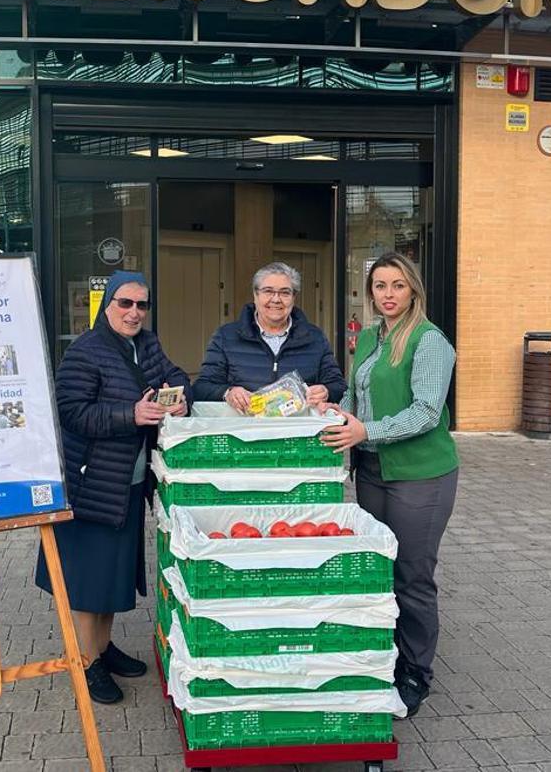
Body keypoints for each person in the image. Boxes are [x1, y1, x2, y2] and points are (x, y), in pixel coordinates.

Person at [34, 270, 190, 704]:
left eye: (142, 304)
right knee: (87, 578)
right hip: (92, 482)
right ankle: (86, 663)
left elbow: (176, 373)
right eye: (125, 303)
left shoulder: (147, 344)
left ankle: (102, 647)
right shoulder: (87, 350)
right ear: (107, 306)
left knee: (110, 572)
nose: (134, 312)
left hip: (128, 480)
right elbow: (70, 412)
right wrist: (130, 415)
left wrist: (181, 396)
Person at [319, 252, 459, 719]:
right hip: (375, 471)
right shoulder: (373, 337)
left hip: (420, 474)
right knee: (379, 571)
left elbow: (424, 412)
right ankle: (388, 655)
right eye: (380, 286)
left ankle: (417, 671)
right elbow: (357, 397)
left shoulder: (429, 341)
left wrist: (365, 432)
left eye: (397, 285)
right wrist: (329, 411)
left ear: (413, 289)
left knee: (412, 575)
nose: (388, 295)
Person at [194, 261, 346, 411]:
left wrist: (326, 391)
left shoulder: (315, 337)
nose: (276, 299)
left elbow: (339, 386)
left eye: (285, 293)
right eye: (268, 291)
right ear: (255, 295)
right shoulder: (226, 337)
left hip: (298, 429)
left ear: (294, 297)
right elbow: (202, 387)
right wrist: (227, 393)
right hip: (245, 429)